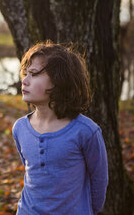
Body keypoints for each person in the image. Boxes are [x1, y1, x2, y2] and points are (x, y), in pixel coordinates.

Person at [12, 41, 108, 215]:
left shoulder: (85, 131)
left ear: (58, 80)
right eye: (25, 74)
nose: (24, 81)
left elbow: (99, 180)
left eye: (33, 74)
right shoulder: (20, 128)